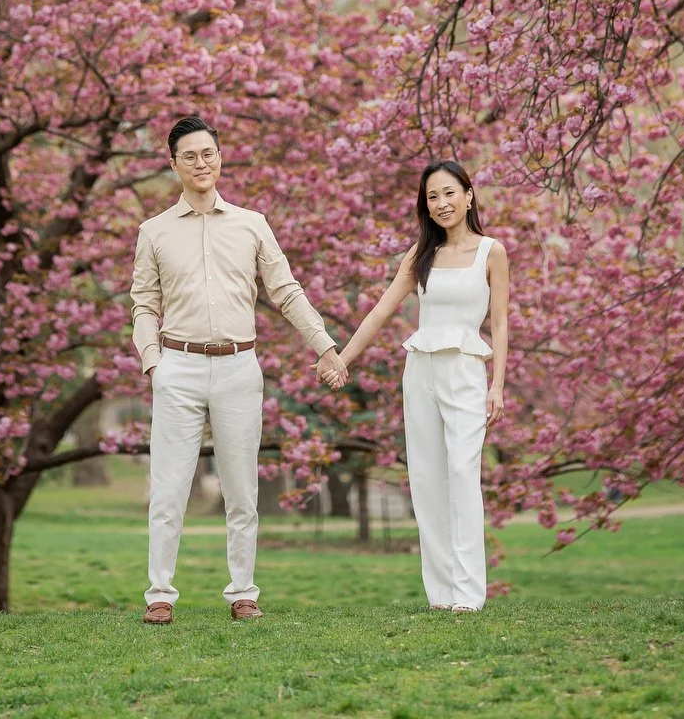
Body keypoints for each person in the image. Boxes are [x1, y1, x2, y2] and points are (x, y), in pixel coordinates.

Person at [130, 116, 346, 624]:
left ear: (220, 158)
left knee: (241, 488)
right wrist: (152, 363)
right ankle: (159, 595)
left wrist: (325, 346)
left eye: (208, 153)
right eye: (189, 156)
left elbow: (286, 290)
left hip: (237, 368)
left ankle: (243, 592)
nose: (201, 163)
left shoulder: (252, 224)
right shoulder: (153, 231)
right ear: (173, 164)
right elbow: (143, 303)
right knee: (168, 488)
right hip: (177, 366)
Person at [332, 160, 508, 612]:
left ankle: (469, 593)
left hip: (467, 372)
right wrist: (341, 357)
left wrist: (498, 385)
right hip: (421, 372)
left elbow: (501, 323)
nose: (442, 203)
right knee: (427, 478)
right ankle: (441, 593)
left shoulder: (493, 252)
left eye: (449, 193)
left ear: (469, 195)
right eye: (432, 197)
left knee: (464, 475)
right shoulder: (419, 256)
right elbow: (380, 311)